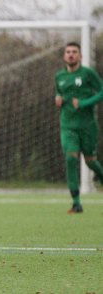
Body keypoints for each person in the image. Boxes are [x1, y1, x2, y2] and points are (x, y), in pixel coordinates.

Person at [54, 41, 103, 214]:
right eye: (68, 52)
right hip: (68, 126)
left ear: (80, 56)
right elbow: (59, 93)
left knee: (91, 162)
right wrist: (58, 98)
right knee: (71, 159)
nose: (71, 54)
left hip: (87, 126)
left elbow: (102, 91)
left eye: (74, 51)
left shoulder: (88, 74)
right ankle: (76, 202)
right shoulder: (59, 76)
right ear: (64, 56)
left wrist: (84, 103)